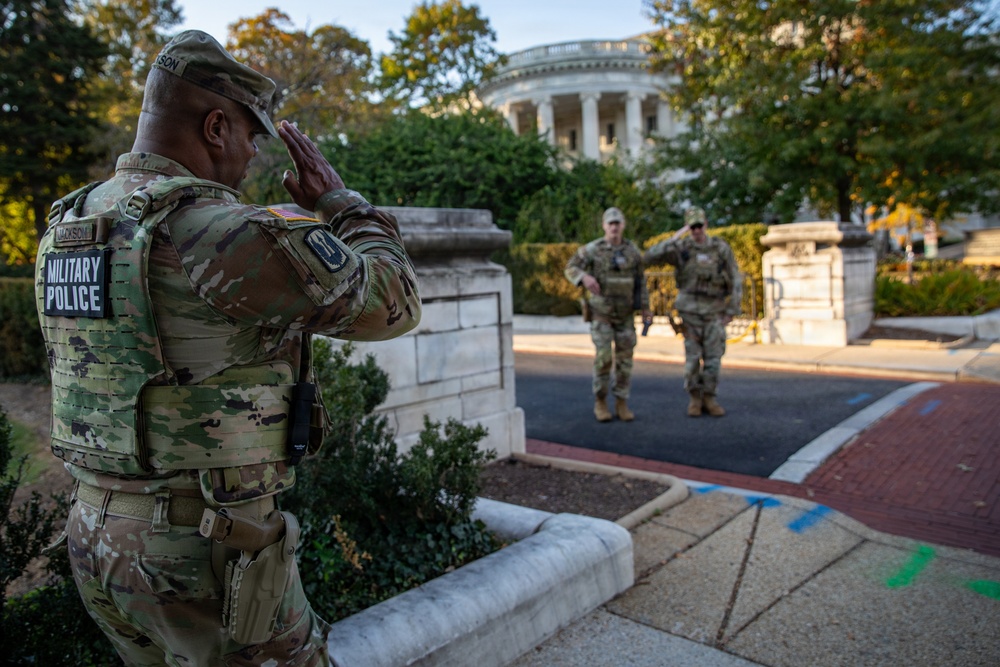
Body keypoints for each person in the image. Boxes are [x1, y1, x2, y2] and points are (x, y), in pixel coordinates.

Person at [34, 30, 420, 666]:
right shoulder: (218, 235)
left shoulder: (70, 226)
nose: (254, 155)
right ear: (216, 126)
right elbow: (394, 302)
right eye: (251, 135)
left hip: (94, 537)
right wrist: (340, 204)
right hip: (201, 550)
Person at [644, 206, 740, 417]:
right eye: (692, 227)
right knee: (692, 361)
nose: (697, 230)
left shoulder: (719, 248)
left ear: (705, 224)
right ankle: (695, 398)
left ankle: (710, 397)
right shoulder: (681, 248)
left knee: (714, 359)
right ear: (688, 227)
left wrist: (732, 309)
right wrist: (676, 237)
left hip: (714, 311)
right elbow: (650, 256)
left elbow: (735, 277)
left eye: (699, 225)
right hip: (690, 314)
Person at [565, 207, 651, 422]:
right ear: (604, 226)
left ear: (623, 225)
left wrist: (647, 309)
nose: (614, 227)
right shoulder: (593, 249)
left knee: (625, 360)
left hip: (625, 316)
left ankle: (621, 401)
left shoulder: (632, 252)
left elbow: (641, 282)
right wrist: (584, 277)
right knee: (603, 358)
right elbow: (571, 267)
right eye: (610, 223)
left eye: (617, 223)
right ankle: (600, 401)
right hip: (601, 314)